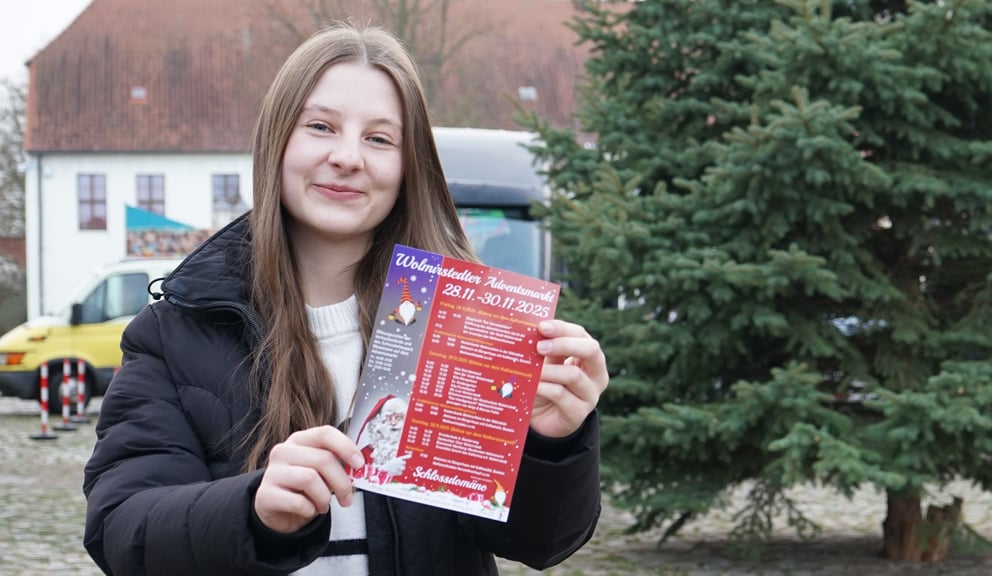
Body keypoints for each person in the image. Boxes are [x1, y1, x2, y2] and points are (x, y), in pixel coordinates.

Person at [82, 23, 608, 576]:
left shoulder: (463, 327)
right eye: (320, 127)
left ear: (409, 166)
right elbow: (122, 531)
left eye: (379, 139)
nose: (348, 157)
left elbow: (542, 542)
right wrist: (252, 510)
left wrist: (552, 443)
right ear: (277, 140)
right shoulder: (175, 331)